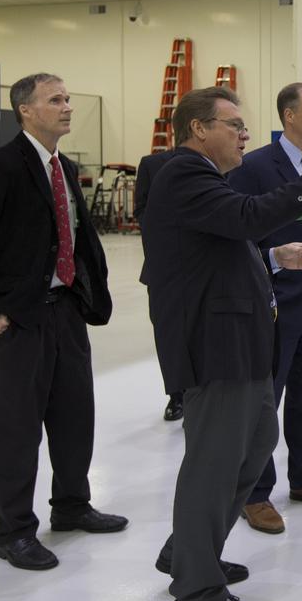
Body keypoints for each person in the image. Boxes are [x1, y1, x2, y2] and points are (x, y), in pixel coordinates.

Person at [143, 85, 302, 601]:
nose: (244, 134)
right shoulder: (181, 173)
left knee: (253, 446)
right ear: (198, 129)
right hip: (217, 349)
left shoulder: (205, 180)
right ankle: (198, 597)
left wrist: (272, 254)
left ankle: (185, 551)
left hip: (243, 344)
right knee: (214, 466)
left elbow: (227, 238)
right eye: (233, 124)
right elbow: (248, 216)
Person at [0, 73, 125, 572]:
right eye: (55, 100)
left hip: (65, 311)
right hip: (19, 319)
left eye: (68, 98)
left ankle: (71, 505)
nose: (67, 107)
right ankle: (14, 530)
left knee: (73, 415)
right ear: (25, 110)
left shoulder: (60, 165)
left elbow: (77, 239)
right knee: (15, 428)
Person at [227, 83, 302, 534]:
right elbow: (242, 231)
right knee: (266, 402)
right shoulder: (255, 166)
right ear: (289, 116)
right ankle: (256, 493)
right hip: (276, 302)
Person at [134, 147, 184, 422]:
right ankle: (176, 394)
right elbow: (141, 209)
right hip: (164, 266)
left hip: (208, 265)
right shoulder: (153, 164)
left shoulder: (224, 162)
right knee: (168, 332)